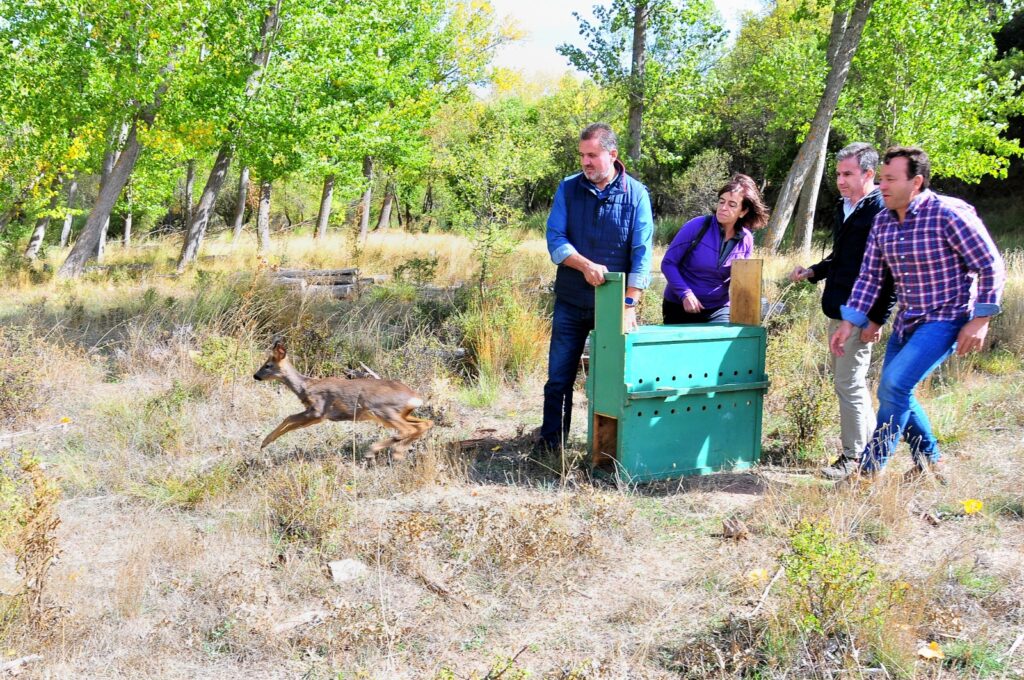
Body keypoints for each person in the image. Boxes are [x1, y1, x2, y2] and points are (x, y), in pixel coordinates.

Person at [829, 146, 1005, 482]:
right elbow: (870, 276)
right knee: (895, 389)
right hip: (908, 320)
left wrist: (981, 319)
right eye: (881, 179)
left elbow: (990, 265)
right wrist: (850, 321)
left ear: (916, 182)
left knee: (894, 385)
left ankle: (868, 473)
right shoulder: (882, 221)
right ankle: (930, 461)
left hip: (947, 318)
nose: (883, 186)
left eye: (891, 179)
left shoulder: (947, 214)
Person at [538, 123, 654, 453]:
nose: (585, 162)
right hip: (571, 302)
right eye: (582, 156)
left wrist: (629, 305)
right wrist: (584, 264)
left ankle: (612, 451)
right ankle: (550, 448)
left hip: (615, 306)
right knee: (558, 379)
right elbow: (555, 239)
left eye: (592, 155)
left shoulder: (636, 194)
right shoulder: (568, 188)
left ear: (612, 155)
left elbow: (642, 254)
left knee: (613, 381)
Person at [788, 143, 895, 480]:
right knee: (851, 383)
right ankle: (874, 451)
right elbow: (842, 257)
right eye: (838, 174)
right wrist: (814, 272)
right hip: (839, 308)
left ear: (868, 174)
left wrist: (876, 318)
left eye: (848, 174)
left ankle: (854, 458)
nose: (841, 180)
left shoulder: (881, 209)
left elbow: (886, 269)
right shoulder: (845, 207)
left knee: (848, 383)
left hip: (861, 312)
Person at [661, 174, 768, 324]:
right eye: (721, 202)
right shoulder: (696, 226)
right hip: (679, 305)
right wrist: (685, 294)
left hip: (717, 309)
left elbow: (741, 279)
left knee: (722, 345)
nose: (723, 208)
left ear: (743, 212)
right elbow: (668, 263)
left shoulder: (746, 239)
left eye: (732, 205)